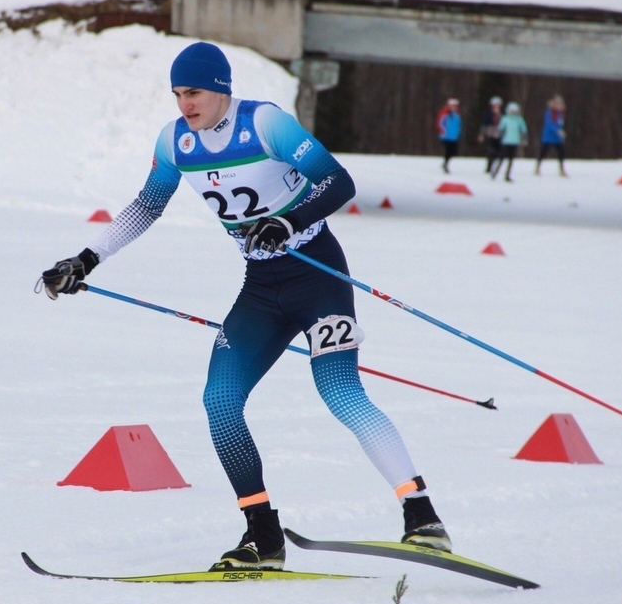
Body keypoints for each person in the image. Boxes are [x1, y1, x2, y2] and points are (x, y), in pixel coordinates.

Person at [38, 42, 452, 569]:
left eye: (195, 93)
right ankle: (263, 534)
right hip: (262, 288)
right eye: (177, 94)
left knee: (341, 392)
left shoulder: (265, 124)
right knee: (220, 400)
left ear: (221, 89)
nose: (185, 104)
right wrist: (88, 257)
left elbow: (336, 181)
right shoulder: (174, 142)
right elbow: (146, 206)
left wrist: (288, 220)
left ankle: (422, 517)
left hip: (318, 275)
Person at [495, 102, 528, 182]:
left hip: (515, 141)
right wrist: (497, 135)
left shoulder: (519, 119)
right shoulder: (505, 119)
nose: (513, 112)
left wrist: (524, 139)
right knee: (502, 158)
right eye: (512, 110)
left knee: (511, 159)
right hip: (506, 141)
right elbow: (500, 128)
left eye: (515, 110)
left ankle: (507, 175)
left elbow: (524, 130)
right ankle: (495, 172)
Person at [535, 95, 568, 177]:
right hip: (548, 137)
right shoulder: (549, 112)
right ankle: (537, 168)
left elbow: (560, 124)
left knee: (561, 153)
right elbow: (549, 124)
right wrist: (557, 130)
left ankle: (562, 169)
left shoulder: (560, 114)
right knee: (543, 152)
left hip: (557, 138)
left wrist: (560, 131)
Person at [478, 95, 504, 175]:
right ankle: (489, 166)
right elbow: (484, 125)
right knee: (491, 150)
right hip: (490, 133)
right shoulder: (488, 114)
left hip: (499, 134)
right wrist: (481, 134)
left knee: (498, 151)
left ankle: (493, 164)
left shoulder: (502, 115)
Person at [437, 98, 462, 174]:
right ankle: (445, 164)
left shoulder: (457, 115)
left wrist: (458, 132)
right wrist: (443, 131)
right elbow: (440, 123)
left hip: (453, 136)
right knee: (448, 150)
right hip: (446, 136)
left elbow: (458, 125)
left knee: (453, 151)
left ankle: (445, 163)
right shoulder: (445, 113)